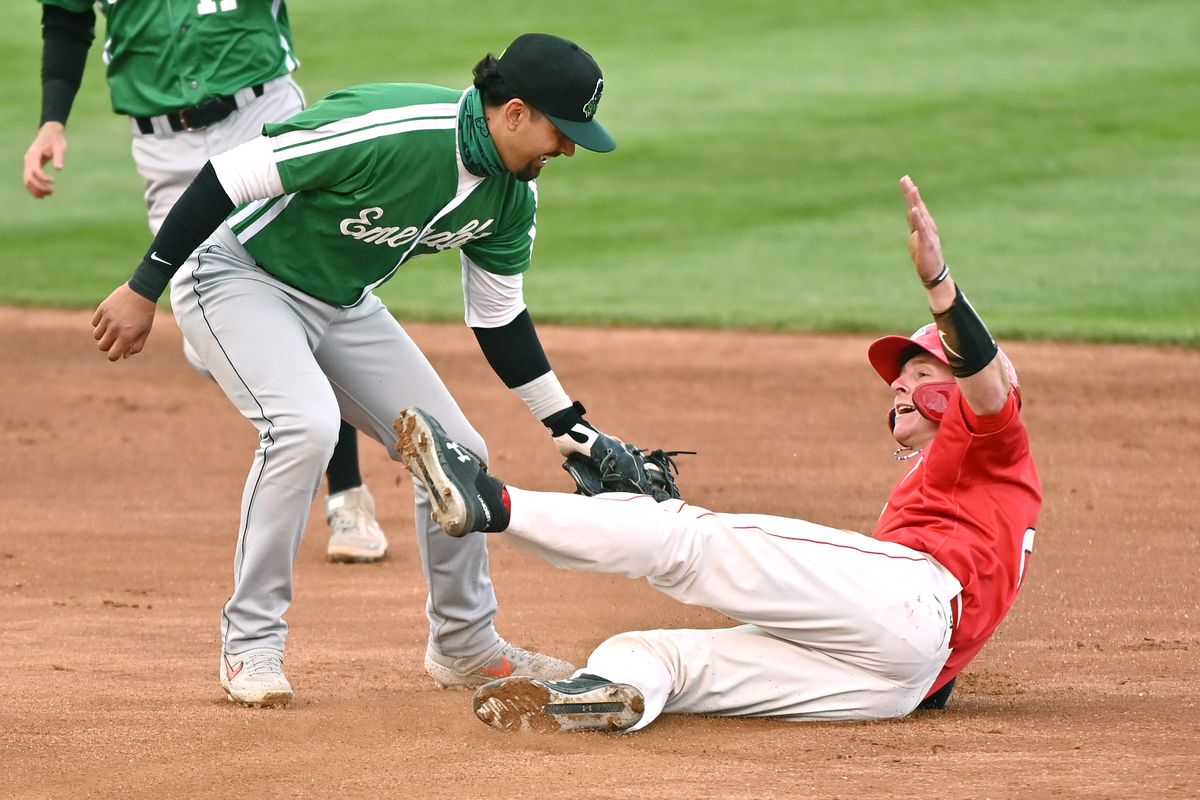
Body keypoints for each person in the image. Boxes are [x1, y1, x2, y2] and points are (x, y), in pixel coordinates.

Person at [90, 32, 636, 707]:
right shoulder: (393, 130)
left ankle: (466, 647)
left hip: (340, 305)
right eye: (563, 130)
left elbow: (499, 320)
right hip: (234, 275)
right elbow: (229, 175)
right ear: (516, 112)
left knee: (458, 451)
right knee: (305, 427)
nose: (569, 149)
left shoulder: (510, 195)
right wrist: (143, 286)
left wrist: (569, 428)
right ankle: (250, 645)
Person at [394, 175, 1043, 733]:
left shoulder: (989, 437)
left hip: (912, 607)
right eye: (899, 377)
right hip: (901, 685)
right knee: (653, 655)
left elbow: (990, 381)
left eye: (923, 372)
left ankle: (488, 501)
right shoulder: (962, 483)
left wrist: (939, 284)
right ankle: (595, 699)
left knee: (680, 537)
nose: (902, 385)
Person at [23, 0, 387, 563]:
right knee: (209, 338)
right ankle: (305, 426)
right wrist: (52, 119)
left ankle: (348, 495)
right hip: (164, 150)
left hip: (259, 115)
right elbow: (68, 19)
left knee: (303, 293)